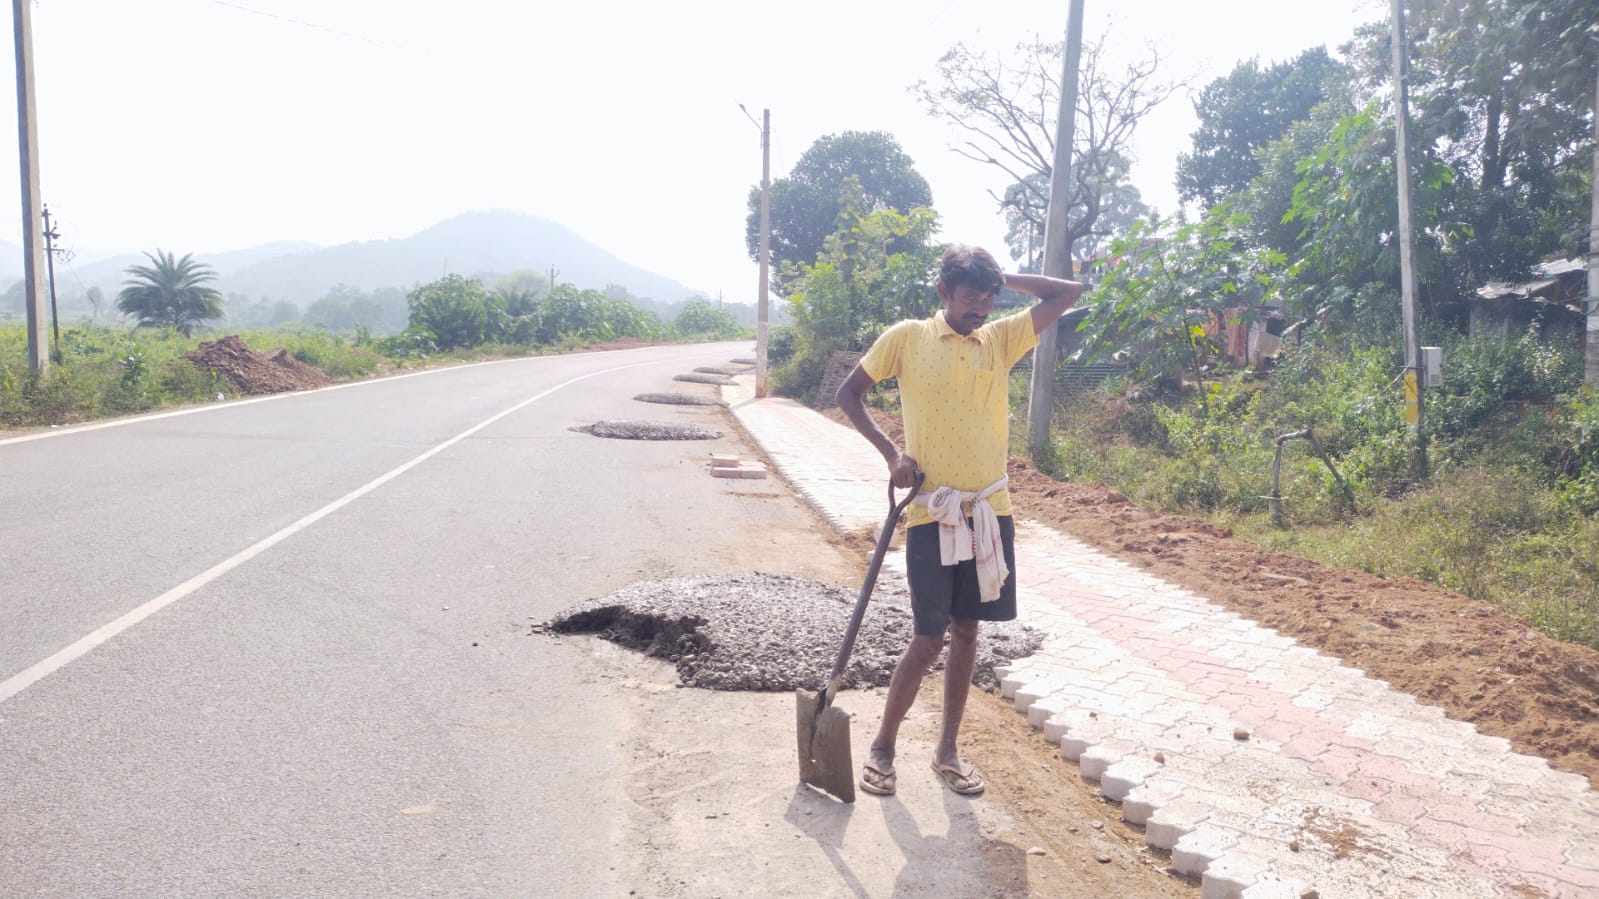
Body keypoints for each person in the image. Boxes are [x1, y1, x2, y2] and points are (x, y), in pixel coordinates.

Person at [835, 244, 1084, 797]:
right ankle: (883, 746)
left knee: (968, 632)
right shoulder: (907, 337)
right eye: (970, 294)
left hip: (990, 512)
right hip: (931, 510)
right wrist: (891, 454)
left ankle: (947, 749)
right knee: (927, 635)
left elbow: (1069, 294)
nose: (981, 306)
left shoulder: (999, 339)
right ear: (943, 291)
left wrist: (1000, 277)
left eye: (989, 296)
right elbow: (848, 394)